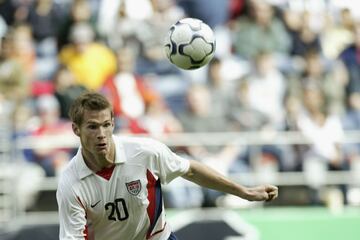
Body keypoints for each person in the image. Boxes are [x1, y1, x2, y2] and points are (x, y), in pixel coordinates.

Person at [56, 91, 278, 240]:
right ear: (76, 129)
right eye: (93, 127)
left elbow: (190, 170)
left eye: (106, 125)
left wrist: (244, 192)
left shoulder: (145, 152)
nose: (102, 134)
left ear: (113, 123)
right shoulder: (70, 183)